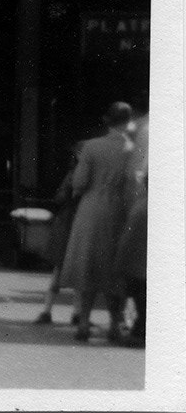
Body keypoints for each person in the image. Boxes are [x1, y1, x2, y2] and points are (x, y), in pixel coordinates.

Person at [60, 102, 138, 343]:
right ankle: (115, 324)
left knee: (88, 266)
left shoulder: (92, 147)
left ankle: (83, 323)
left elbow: (79, 182)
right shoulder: (132, 149)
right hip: (120, 212)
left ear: (106, 120)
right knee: (115, 269)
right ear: (129, 121)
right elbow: (134, 186)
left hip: (91, 210)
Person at [34, 143, 84, 325]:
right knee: (70, 269)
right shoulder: (75, 176)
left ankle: (51, 311)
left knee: (62, 269)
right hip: (72, 222)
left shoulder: (73, 174)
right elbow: (60, 197)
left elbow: (59, 198)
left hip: (69, 222)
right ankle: (74, 313)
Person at [114, 113, 148, 347]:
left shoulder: (144, 127)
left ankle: (139, 326)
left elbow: (138, 175)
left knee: (135, 273)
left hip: (144, 207)